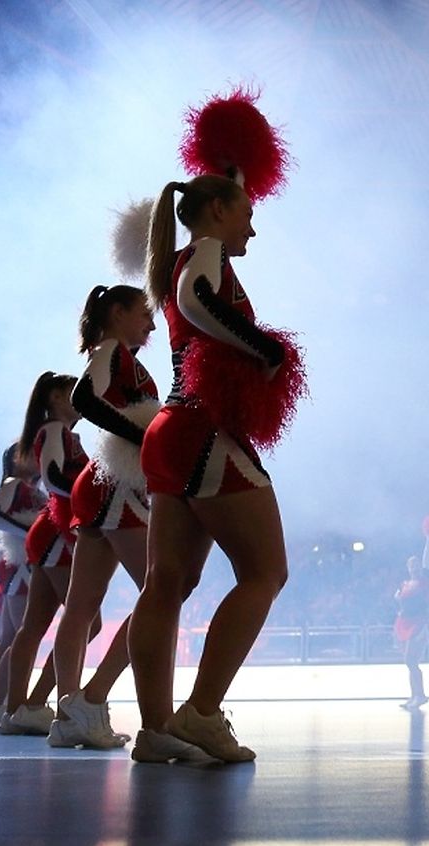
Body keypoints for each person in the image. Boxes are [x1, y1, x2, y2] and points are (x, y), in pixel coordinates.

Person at [129, 174, 289, 764]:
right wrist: (265, 348)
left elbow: (190, 301)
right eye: (246, 209)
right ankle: (200, 713)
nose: (253, 224)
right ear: (217, 210)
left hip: (168, 431)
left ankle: (156, 729)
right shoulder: (204, 254)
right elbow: (199, 301)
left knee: (165, 583)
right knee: (266, 571)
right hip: (203, 427)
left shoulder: (175, 256)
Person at [49, 284, 158, 748]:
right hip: (115, 486)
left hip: (101, 486)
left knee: (79, 609)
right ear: (118, 313)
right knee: (163, 591)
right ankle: (90, 701)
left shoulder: (113, 352)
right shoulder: (112, 351)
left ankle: (70, 713)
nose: (151, 325)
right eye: (144, 314)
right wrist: (137, 436)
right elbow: (85, 399)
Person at [0, 372, 95, 736]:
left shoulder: (54, 432)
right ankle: (37, 704)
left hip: (53, 529)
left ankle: (20, 709)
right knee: (86, 619)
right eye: (73, 392)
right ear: (56, 396)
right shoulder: (55, 431)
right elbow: (54, 477)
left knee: (34, 626)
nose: (82, 398)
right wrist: (90, 497)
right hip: (59, 529)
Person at [0, 443, 46, 726]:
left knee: (8, 638)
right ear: (17, 460)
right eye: (31, 453)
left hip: (15, 566)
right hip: (20, 566)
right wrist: (31, 533)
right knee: (20, 637)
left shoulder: (26, 488)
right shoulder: (15, 485)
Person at [395, 538, 429, 710]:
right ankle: (414, 695)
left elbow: (427, 560)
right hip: (404, 622)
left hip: (417, 622)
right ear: (408, 568)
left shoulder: (424, 581)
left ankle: (421, 695)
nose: (414, 567)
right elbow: (398, 598)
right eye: (411, 565)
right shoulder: (404, 584)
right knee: (410, 662)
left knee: (410, 659)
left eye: (416, 564)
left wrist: (428, 541)